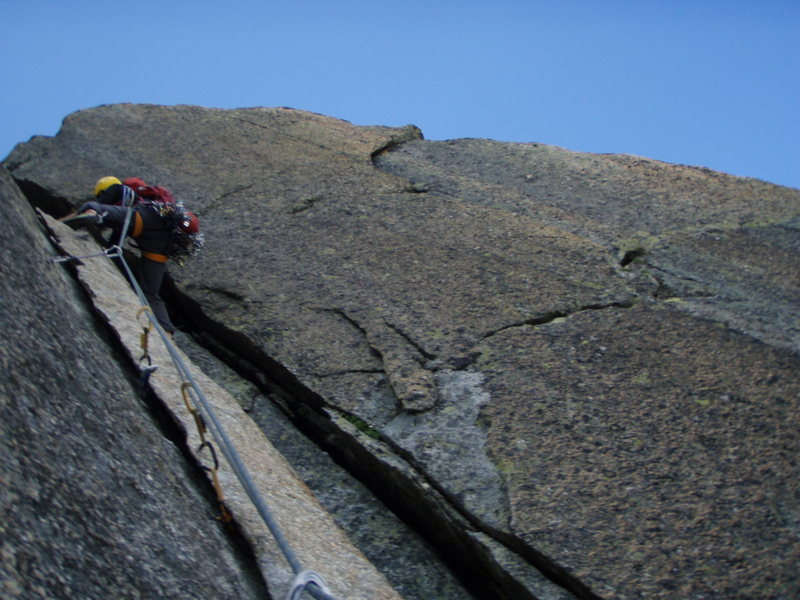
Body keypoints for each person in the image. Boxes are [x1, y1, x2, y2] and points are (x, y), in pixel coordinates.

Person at [62, 176, 177, 335]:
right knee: (150, 293)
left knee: (91, 206)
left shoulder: (117, 189)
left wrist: (61, 222)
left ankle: (91, 214)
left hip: (142, 220)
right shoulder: (149, 201)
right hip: (161, 243)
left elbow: (106, 207)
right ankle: (167, 332)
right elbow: (116, 240)